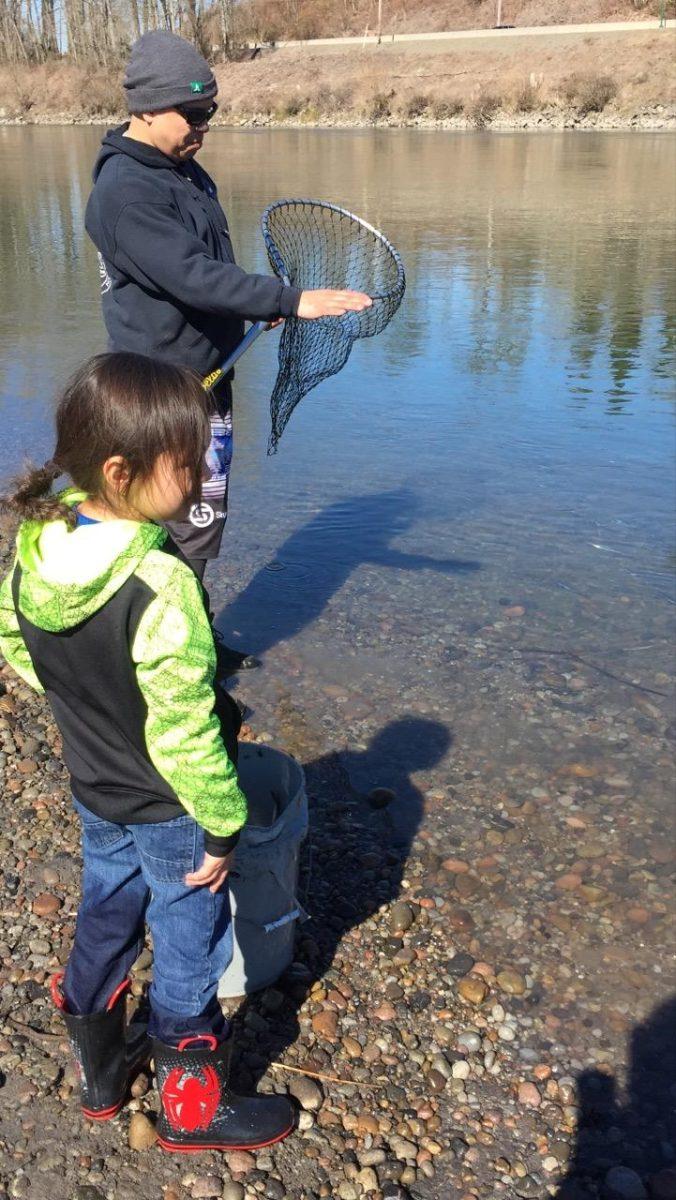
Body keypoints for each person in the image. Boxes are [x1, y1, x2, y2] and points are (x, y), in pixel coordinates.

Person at [0, 352, 294, 1153]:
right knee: (189, 929)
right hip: (170, 805)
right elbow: (186, 729)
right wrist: (224, 824)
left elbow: (16, 643)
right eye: (188, 463)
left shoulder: (39, 540)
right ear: (123, 470)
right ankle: (192, 1107)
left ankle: (101, 1076)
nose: (203, 475)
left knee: (106, 909)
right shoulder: (161, 584)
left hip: (95, 786)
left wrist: (84, 706)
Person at [85, 29, 371, 669]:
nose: (204, 126)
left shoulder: (185, 171)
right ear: (149, 108)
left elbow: (213, 268)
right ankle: (163, 657)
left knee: (200, 521)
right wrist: (285, 299)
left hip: (209, 377)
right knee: (174, 520)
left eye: (211, 112)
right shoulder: (126, 193)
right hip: (162, 392)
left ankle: (187, 637)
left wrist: (249, 309)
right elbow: (187, 274)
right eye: (195, 114)